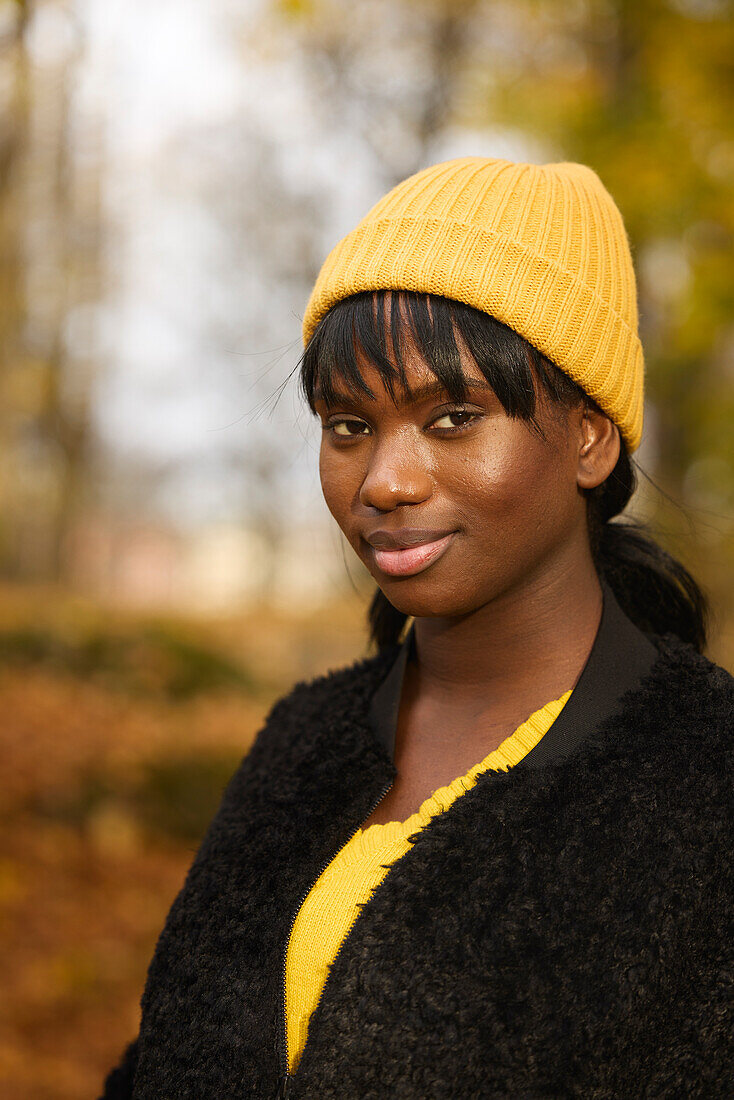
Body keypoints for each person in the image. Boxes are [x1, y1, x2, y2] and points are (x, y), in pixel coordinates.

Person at [99, 158, 732, 1099]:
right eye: (348, 426)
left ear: (592, 437)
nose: (384, 481)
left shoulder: (704, 781)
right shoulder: (303, 740)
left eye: (453, 417)